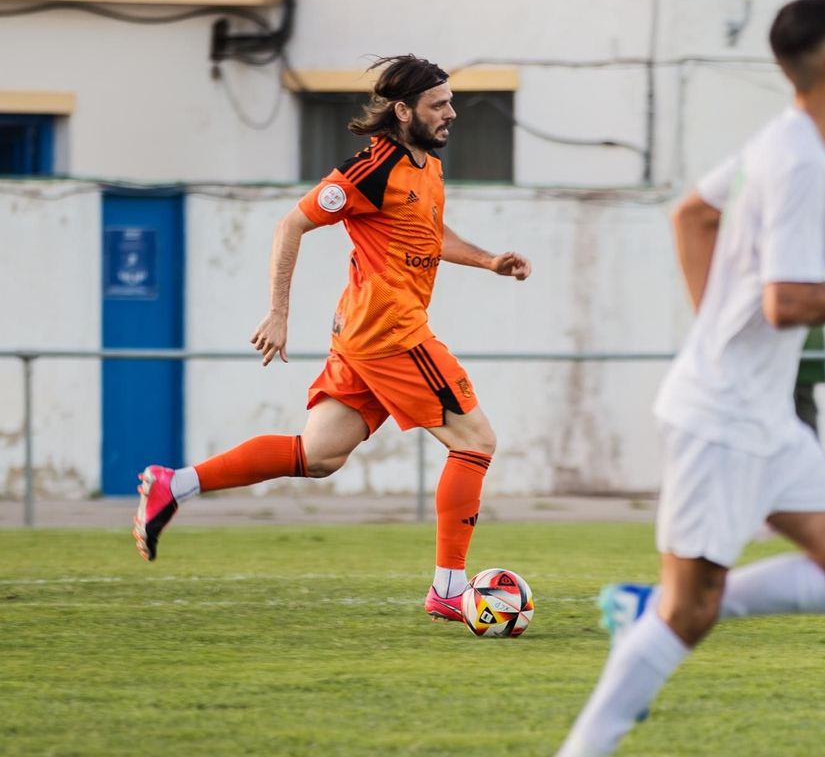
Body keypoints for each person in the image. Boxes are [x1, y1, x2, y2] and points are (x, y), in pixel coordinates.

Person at [524, 0, 825, 757]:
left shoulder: (777, 143)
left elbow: (692, 214)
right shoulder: (802, 164)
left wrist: (712, 328)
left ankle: (645, 609)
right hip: (722, 419)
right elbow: (787, 301)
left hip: (762, 419)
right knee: (690, 612)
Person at [131, 55, 531, 625]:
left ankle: (175, 484)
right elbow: (290, 224)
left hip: (362, 335)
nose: (451, 113)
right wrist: (278, 312)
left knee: (318, 455)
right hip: (391, 333)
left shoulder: (427, 168)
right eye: (439, 104)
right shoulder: (370, 170)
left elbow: (430, 233)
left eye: (450, 102)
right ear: (403, 111)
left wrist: (488, 260)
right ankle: (448, 589)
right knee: (476, 441)